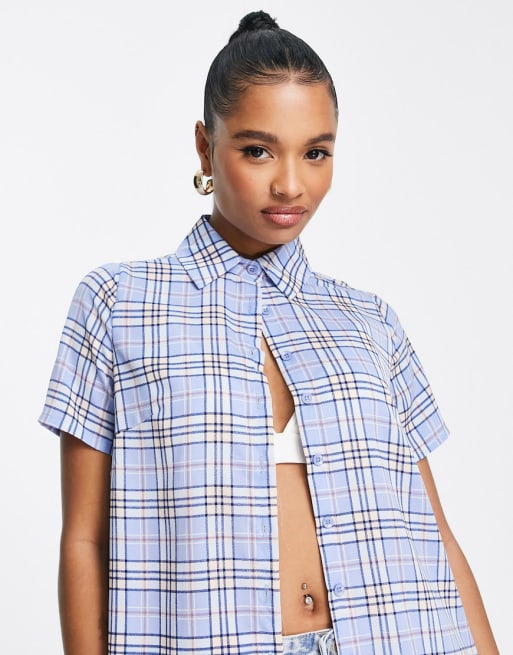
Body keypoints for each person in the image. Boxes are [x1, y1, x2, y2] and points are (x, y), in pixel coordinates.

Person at [39, 10, 499, 655]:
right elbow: (84, 540)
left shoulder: (370, 320)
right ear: (205, 147)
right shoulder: (118, 304)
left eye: (316, 153)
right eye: (258, 150)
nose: (290, 184)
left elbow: (435, 531)